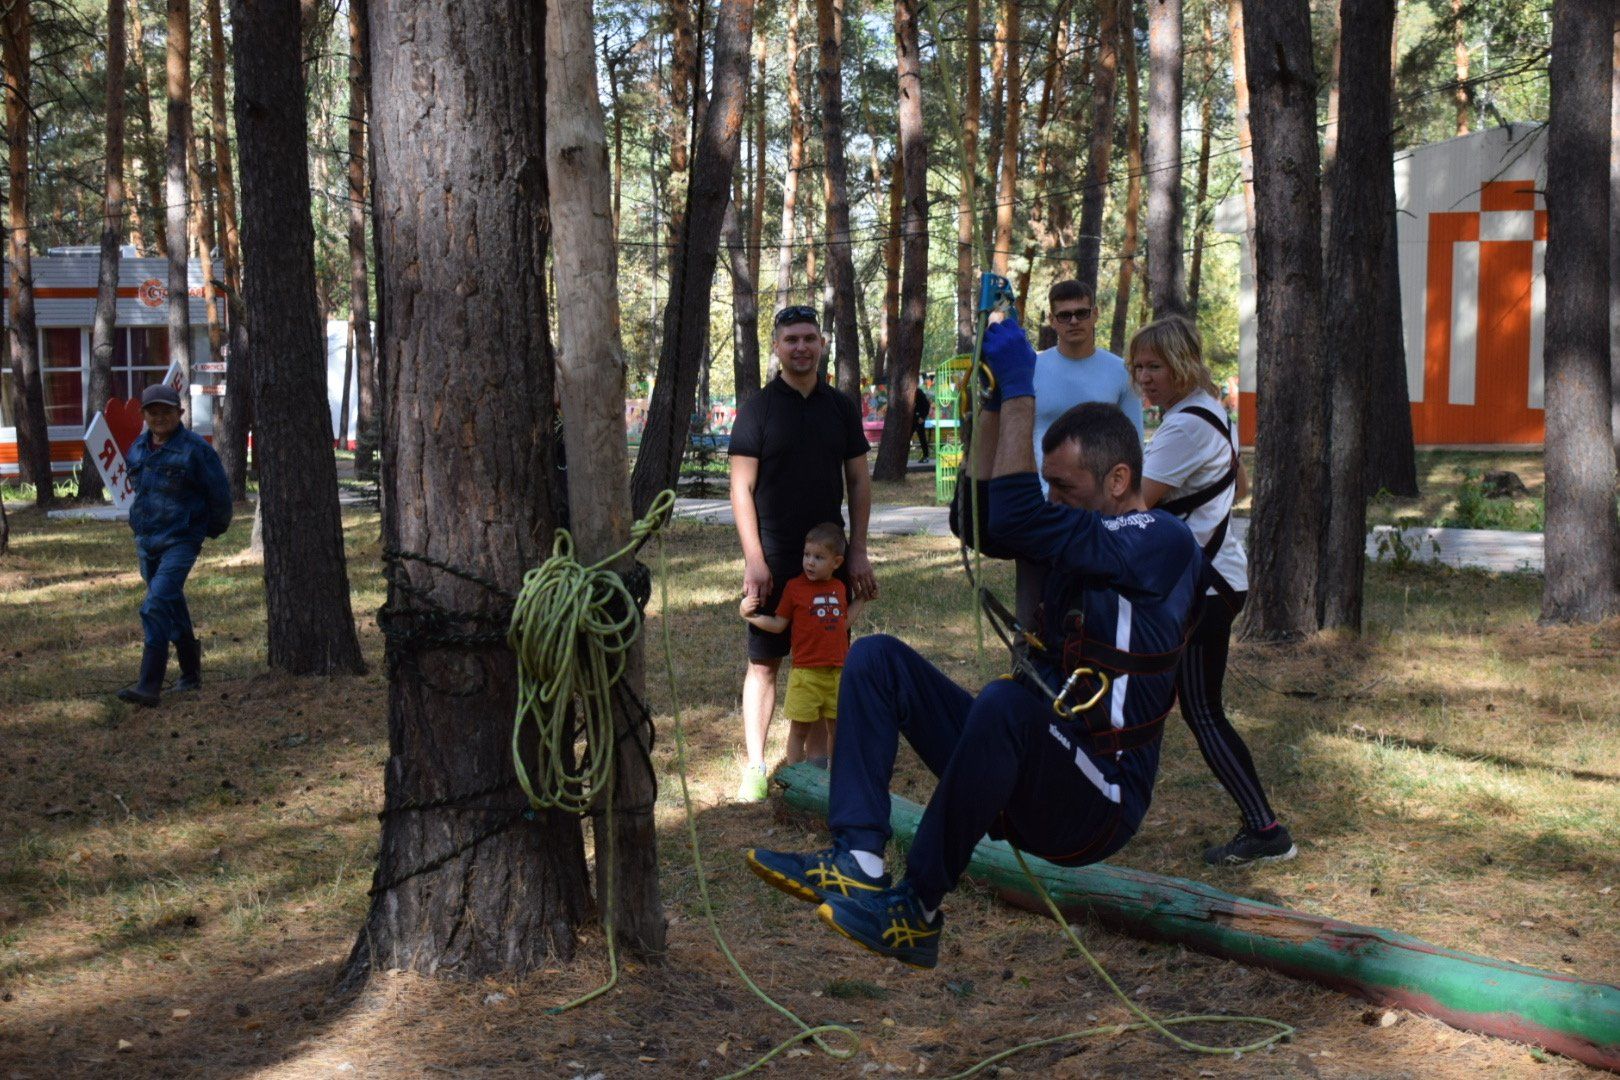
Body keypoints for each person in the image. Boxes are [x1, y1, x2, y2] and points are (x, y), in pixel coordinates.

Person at [745, 317, 1201, 969]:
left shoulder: (1159, 541)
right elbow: (977, 518)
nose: (1051, 500)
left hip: (1096, 801)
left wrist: (1021, 388)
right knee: (875, 661)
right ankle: (859, 862)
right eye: (1047, 485)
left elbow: (1013, 515)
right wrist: (993, 406)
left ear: (1120, 481)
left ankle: (916, 911)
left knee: (1006, 704)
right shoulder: (1081, 527)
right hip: (1030, 763)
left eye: (1064, 488)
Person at [1129, 316, 1296, 866]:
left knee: (1201, 710)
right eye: (1139, 367)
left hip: (1205, 587)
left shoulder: (1184, 426)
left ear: (1182, 363)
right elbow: (1239, 483)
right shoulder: (1205, 412)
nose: (1144, 377)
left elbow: (1134, 506)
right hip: (1214, 579)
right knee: (1169, 703)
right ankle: (1117, 801)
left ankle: (1265, 829)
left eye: (1154, 366)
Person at [729, 305, 878, 801]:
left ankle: (812, 770)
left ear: (822, 344)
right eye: (791, 338)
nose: (801, 347)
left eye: (809, 338)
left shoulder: (840, 407)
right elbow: (740, 487)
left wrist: (856, 551)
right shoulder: (758, 410)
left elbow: (858, 479)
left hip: (828, 560)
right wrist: (755, 560)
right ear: (776, 346)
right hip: (773, 558)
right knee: (764, 663)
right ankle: (755, 765)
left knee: (823, 666)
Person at [1017, 279, 1144, 627]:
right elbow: (1018, 435)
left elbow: (1134, 444)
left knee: (1094, 607)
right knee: (1032, 607)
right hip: (1043, 505)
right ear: (1052, 320)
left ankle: (1095, 671)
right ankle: (1024, 669)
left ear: (1095, 315)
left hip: (1101, 511)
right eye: (1065, 315)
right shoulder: (1031, 369)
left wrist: (1131, 508)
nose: (1074, 321)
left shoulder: (1120, 372)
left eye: (1081, 313)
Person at [116, 383, 233, 707]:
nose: (160, 417)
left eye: (167, 411)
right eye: (153, 412)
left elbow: (220, 495)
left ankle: (148, 685)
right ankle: (191, 674)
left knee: (155, 604)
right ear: (144, 415)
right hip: (146, 540)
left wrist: (209, 530)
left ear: (180, 413)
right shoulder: (138, 449)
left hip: (181, 539)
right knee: (170, 602)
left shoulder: (196, 450)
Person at [739, 522, 865, 766]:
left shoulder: (839, 587)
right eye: (807, 555)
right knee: (799, 730)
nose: (810, 562)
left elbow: (843, 623)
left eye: (818, 557)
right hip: (806, 674)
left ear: (836, 563)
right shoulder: (795, 588)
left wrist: (860, 599)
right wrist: (750, 616)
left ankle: (836, 779)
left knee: (838, 730)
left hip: (838, 673)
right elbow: (778, 624)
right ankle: (794, 776)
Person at [912, 385, 932, 462]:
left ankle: (926, 456)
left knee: (922, 437)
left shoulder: (919, 392)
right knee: (907, 437)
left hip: (919, 418)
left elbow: (927, 405)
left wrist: (922, 417)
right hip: (911, 419)